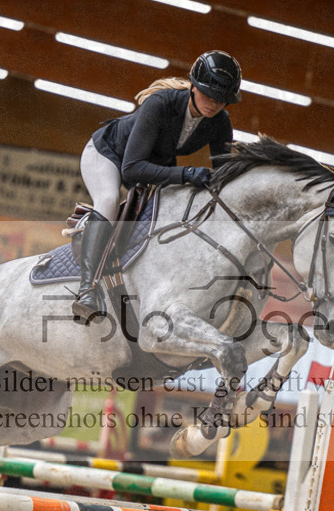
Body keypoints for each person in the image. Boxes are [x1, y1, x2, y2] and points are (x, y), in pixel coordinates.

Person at [72, 50, 242, 324]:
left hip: (150, 164)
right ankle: (86, 290)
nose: (214, 103)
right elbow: (132, 168)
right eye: (209, 94)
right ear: (194, 86)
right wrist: (187, 173)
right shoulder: (160, 104)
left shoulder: (220, 123)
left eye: (222, 100)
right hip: (108, 154)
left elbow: (223, 175)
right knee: (107, 200)